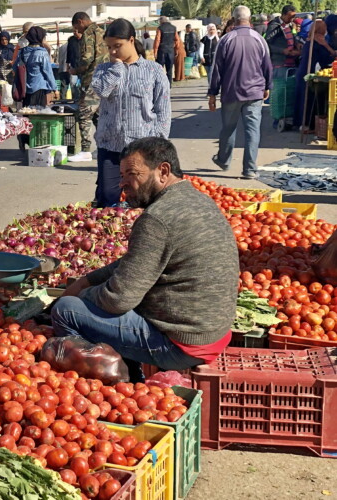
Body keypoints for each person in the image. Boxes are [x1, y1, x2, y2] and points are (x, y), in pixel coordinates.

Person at [51, 137, 238, 382]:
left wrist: (83, 295)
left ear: (163, 171)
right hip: (212, 333)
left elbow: (118, 300)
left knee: (66, 310)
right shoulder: (197, 200)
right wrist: (86, 280)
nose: (123, 183)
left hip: (182, 344)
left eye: (132, 174)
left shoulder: (157, 219)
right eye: (122, 175)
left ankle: (119, 380)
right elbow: (133, 262)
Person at [91, 19, 170, 208]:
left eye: (117, 46)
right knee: (108, 196)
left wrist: (158, 145)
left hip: (141, 148)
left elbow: (163, 111)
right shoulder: (103, 70)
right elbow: (102, 91)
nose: (112, 52)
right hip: (110, 145)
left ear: (132, 40)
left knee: (142, 198)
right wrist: (116, 68)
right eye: (109, 47)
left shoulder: (154, 71)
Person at [209, 5, 272, 180]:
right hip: (254, 93)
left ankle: (223, 160)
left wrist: (212, 93)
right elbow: (267, 66)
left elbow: (217, 70)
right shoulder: (259, 39)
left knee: (228, 128)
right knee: (253, 131)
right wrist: (267, 86)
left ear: (234, 19)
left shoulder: (226, 40)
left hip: (231, 93)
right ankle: (250, 169)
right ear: (249, 19)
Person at [69, 12, 107, 163]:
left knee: (84, 113)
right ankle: (101, 147)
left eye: (76, 26)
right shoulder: (102, 32)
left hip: (92, 79)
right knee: (99, 115)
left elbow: (87, 58)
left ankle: (85, 150)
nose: (77, 30)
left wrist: (76, 70)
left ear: (80, 21)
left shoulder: (88, 34)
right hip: (105, 79)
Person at [294, 20, 336, 129]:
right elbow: (326, 58)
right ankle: (307, 124)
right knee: (309, 100)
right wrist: (328, 48)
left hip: (302, 72)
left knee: (302, 99)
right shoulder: (318, 42)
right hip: (310, 73)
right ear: (322, 30)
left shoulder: (309, 40)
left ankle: (301, 123)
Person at [13, 26, 57, 107]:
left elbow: (15, 68)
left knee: (26, 115)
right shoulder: (42, 53)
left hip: (25, 90)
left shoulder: (22, 52)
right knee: (38, 116)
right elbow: (48, 72)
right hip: (39, 89)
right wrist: (55, 89)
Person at [265, 5, 299, 79]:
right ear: (283, 15)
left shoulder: (289, 25)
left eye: (293, 17)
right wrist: (282, 50)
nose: (292, 19)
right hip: (279, 65)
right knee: (280, 88)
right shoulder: (274, 26)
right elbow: (267, 45)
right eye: (290, 17)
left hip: (291, 64)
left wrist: (297, 45)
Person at [154, 15, 177, 85]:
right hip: (170, 51)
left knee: (159, 69)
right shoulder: (174, 28)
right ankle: (169, 85)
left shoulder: (160, 28)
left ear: (161, 21)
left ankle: (160, 84)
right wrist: (175, 49)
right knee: (169, 70)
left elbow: (157, 40)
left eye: (159, 21)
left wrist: (155, 51)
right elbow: (177, 40)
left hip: (162, 51)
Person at [67, 30, 83, 99]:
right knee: (73, 83)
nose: (75, 33)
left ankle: (82, 98)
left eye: (77, 31)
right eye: (74, 31)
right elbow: (69, 52)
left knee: (82, 85)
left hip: (83, 66)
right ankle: (75, 99)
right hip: (73, 65)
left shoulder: (86, 39)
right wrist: (67, 64)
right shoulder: (71, 40)